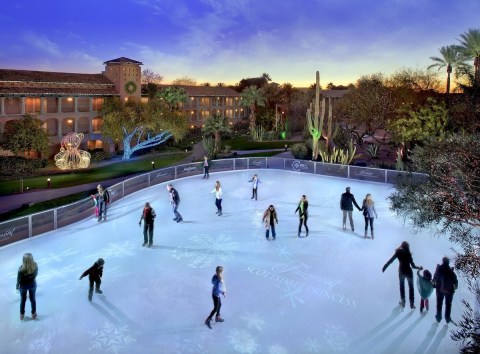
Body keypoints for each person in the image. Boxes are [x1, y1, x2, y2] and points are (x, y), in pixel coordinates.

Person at [382, 241, 422, 309]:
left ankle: (403, 302)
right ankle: (412, 304)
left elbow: (391, 260)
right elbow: (413, 266)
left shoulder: (398, 252)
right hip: (409, 272)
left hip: (401, 271)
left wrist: (385, 266)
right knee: (411, 288)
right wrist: (419, 267)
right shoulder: (408, 254)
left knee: (402, 287)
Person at [433, 257, 458, 323]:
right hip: (449, 291)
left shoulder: (439, 269)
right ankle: (447, 318)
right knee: (448, 304)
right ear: (448, 262)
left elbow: (434, 278)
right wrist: (455, 287)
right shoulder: (451, 271)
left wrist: (434, 284)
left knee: (439, 304)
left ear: (443, 261)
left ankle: (438, 318)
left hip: (439, 290)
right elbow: (455, 281)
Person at [16, 253, 38, 321]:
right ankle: (33, 314)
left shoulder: (21, 269)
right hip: (32, 285)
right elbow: (36, 274)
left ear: (23, 260)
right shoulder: (35, 265)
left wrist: (17, 287)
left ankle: (22, 315)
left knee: (23, 300)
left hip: (23, 287)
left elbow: (18, 280)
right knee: (33, 299)